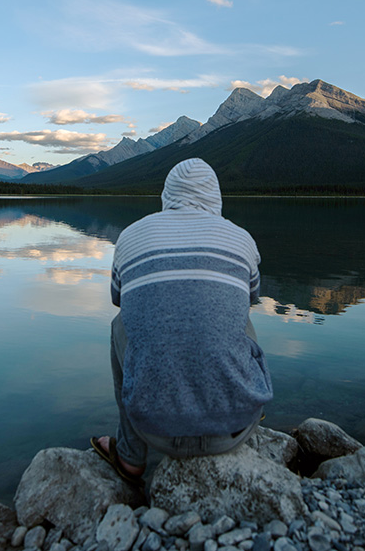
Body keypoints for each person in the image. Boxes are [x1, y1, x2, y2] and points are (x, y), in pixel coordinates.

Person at [91, 158, 272, 487]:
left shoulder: (130, 237)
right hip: (234, 430)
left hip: (153, 431)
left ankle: (131, 455)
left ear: (167, 195)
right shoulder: (241, 239)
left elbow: (119, 299)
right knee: (239, 315)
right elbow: (251, 297)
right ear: (215, 197)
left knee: (121, 323)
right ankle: (247, 401)